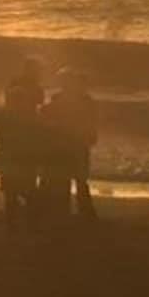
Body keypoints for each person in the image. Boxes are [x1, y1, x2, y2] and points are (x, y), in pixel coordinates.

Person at [0, 58, 46, 232]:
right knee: (22, 190)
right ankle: (24, 220)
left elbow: (0, 136)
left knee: (14, 190)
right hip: (21, 154)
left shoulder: (7, 113)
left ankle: (15, 221)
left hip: (15, 154)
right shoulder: (28, 113)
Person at [46, 68, 99, 221]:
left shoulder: (61, 98)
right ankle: (82, 211)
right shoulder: (85, 100)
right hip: (72, 143)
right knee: (75, 178)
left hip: (71, 143)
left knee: (73, 178)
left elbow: (50, 118)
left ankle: (75, 210)